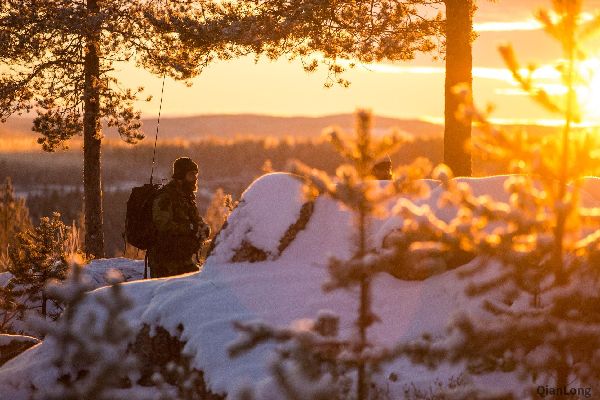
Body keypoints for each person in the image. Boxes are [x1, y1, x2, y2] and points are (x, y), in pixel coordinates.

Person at [147, 157, 211, 278]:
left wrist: (203, 228)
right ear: (181, 176)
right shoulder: (166, 197)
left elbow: (195, 219)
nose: (195, 178)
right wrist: (190, 228)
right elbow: (163, 225)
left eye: (195, 174)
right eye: (191, 175)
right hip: (165, 261)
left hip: (182, 258)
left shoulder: (186, 197)